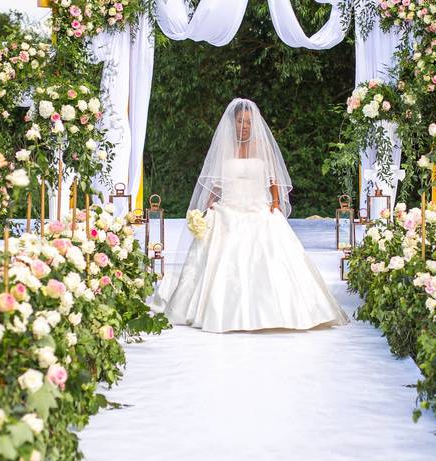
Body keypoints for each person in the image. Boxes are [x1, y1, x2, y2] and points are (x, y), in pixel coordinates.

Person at [150, 98, 349, 333]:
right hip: (229, 209)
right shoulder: (224, 149)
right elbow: (216, 184)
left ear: (254, 124)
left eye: (248, 122)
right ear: (233, 123)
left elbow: (274, 178)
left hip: (259, 207)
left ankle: (282, 312)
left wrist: (275, 203)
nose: (244, 126)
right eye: (240, 121)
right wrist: (207, 207)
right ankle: (218, 311)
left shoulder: (261, 147)